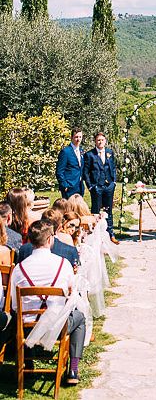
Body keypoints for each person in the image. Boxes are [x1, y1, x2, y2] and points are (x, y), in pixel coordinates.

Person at [10, 220, 87, 385]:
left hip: (26, 327)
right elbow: (71, 295)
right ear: (51, 239)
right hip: (56, 326)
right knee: (79, 318)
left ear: (30, 241)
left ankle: (28, 362)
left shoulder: (19, 269)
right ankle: (73, 369)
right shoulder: (62, 264)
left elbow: (15, 305)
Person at [83, 131, 119, 244]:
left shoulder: (109, 152)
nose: (100, 142)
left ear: (105, 141)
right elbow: (85, 172)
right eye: (98, 140)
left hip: (108, 186)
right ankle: (95, 235)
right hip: (96, 187)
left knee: (109, 210)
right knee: (96, 211)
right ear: (95, 141)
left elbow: (113, 168)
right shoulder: (90, 155)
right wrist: (90, 186)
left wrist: (114, 182)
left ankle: (110, 234)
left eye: (102, 140)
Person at [55, 128, 86, 199]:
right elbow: (59, 171)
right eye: (76, 137)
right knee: (69, 210)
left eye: (80, 137)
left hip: (79, 187)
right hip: (69, 188)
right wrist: (65, 185)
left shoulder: (82, 151)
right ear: (71, 137)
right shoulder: (65, 152)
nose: (78, 139)